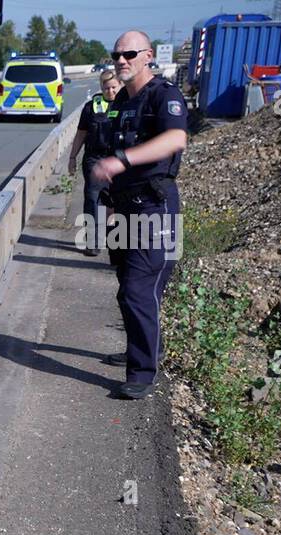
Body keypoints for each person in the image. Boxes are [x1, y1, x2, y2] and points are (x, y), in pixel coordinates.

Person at [91, 30, 188, 400]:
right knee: (128, 291)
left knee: (139, 290)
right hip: (124, 208)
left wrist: (123, 160)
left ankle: (143, 373)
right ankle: (144, 349)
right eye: (116, 54)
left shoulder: (165, 96)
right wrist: (112, 207)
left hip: (154, 207)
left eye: (129, 53)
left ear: (147, 55)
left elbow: (175, 140)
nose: (121, 60)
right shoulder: (119, 105)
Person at [67, 69, 122, 256]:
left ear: (120, 85)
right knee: (93, 200)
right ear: (101, 87)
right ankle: (93, 242)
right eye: (107, 88)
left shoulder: (127, 106)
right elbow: (81, 133)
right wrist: (72, 157)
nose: (111, 92)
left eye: (114, 87)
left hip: (119, 160)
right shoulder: (91, 107)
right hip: (94, 159)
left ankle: (113, 236)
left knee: (116, 201)